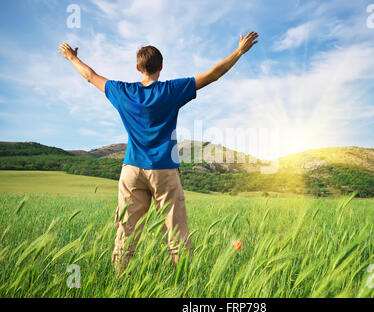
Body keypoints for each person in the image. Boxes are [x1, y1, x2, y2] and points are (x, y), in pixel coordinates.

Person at [58, 31, 259, 271]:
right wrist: (238, 51)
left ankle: (119, 283)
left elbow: (90, 76)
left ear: (137, 67)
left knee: (126, 235)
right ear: (161, 66)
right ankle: (181, 283)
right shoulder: (171, 91)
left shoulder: (122, 92)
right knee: (177, 235)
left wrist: (71, 58)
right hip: (164, 170)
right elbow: (213, 75)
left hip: (132, 169)